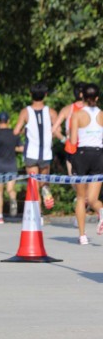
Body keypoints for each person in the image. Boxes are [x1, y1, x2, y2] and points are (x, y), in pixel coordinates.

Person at [13, 83, 58, 211]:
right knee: (43, 182)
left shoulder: (25, 112)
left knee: (33, 186)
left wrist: (25, 131)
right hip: (46, 153)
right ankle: (46, 190)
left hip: (31, 154)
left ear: (30, 95)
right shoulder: (51, 112)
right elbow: (57, 131)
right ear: (45, 95)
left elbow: (16, 131)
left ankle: (38, 214)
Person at [70, 83, 103, 245]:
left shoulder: (77, 115)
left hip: (82, 155)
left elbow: (72, 141)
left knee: (81, 198)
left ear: (82, 96)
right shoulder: (102, 114)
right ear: (97, 97)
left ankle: (82, 236)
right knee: (93, 198)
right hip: (98, 154)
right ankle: (101, 212)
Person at [0, 112, 23, 224]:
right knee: (10, 189)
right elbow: (22, 148)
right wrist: (12, 148)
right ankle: (13, 199)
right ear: (8, 121)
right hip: (11, 165)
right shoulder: (14, 133)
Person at [52, 82, 86, 176]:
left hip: (71, 148)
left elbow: (54, 129)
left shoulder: (67, 109)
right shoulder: (93, 110)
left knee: (73, 179)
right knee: (90, 180)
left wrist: (64, 139)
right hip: (88, 148)